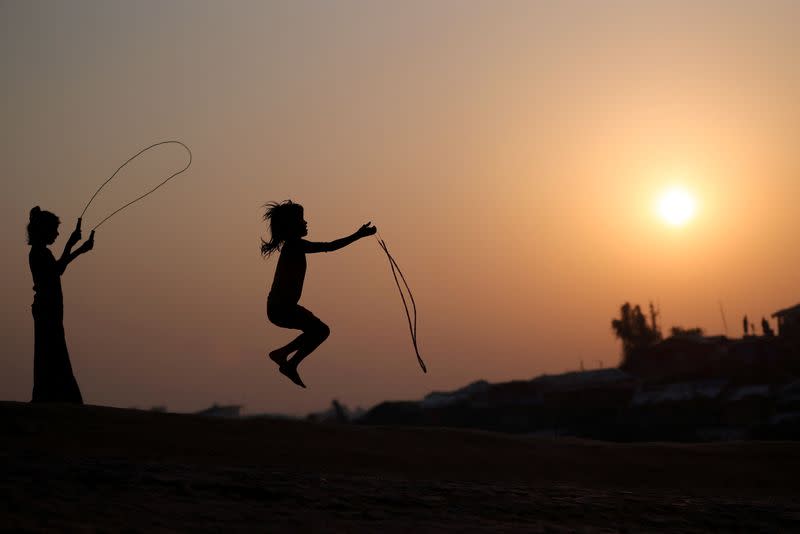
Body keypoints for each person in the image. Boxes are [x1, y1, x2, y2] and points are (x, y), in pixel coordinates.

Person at [261, 200, 375, 388]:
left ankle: (284, 357)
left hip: (281, 307)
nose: (306, 223)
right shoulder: (294, 246)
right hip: (281, 308)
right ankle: (284, 357)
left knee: (319, 331)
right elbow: (329, 246)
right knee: (320, 331)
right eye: (301, 220)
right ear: (291, 226)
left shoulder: (294, 246)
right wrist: (358, 235)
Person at [27, 207, 95, 403]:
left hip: (49, 310)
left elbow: (58, 269)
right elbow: (57, 270)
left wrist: (77, 248)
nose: (57, 234)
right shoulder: (39, 254)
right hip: (47, 310)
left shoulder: (41, 252)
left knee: (50, 353)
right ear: (44, 230)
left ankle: (49, 397)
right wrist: (72, 245)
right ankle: (59, 399)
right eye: (54, 230)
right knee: (52, 353)